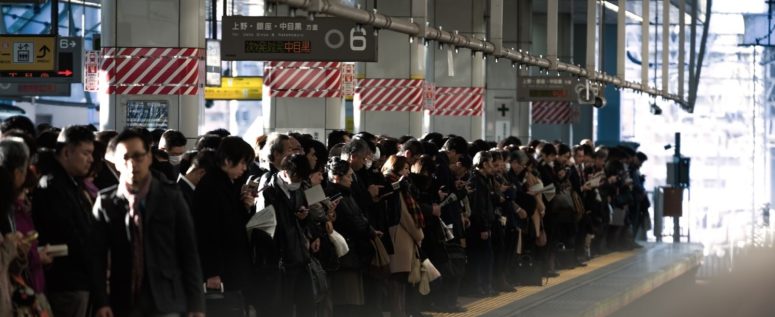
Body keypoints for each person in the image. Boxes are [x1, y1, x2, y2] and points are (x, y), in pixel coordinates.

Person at [92, 128, 205, 317]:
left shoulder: (171, 197)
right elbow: (97, 257)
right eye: (125, 157)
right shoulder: (106, 202)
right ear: (115, 162)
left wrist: (196, 305)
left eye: (138, 156)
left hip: (167, 299)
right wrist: (101, 301)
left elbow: (189, 253)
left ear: (149, 158)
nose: (132, 164)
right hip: (122, 300)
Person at [31, 125, 95, 317]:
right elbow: (67, 233)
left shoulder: (71, 182)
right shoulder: (53, 186)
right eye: (86, 153)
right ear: (67, 152)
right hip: (66, 282)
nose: (91, 159)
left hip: (78, 279)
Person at [193, 136, 256, 311]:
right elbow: (206, 233)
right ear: (228, 161)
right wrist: (212, 272)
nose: (245, 169)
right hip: (221, 271)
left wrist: (245, 207)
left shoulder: (230, 184)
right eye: (242, 163)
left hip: (232, 266)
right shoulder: (210, 187)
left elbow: (233, 222)